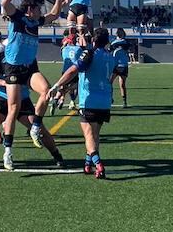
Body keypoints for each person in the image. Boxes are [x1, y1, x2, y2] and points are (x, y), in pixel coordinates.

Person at [0, 0, 65, 148]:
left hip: (30, 67)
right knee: (14, 108)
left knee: (46, 91)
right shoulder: (18, 18)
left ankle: (35, 126)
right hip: (13, 68)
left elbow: (55, 15)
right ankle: (8, 150)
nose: (41, 11)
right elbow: (4, 3)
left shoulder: (36, 22)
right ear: (30, 8)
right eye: (39, 8)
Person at [50, 27, 116, 179]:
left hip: (90, 100)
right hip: (105, 101)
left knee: (88, 135)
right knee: (94, 135)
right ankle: (87, 164)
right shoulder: (110, 56)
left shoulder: (90, 53)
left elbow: (73, 71)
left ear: (93, 40)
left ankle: (98, 164)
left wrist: (57, 86)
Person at [49, 27, 80, 115]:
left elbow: (62, 50)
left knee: (62, 86)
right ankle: (71, 101)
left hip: (65, 71)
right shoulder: (78, 49)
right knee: (76, 86)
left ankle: (56, 100)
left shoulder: (64, 49)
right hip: (74, 70)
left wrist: (64, 45)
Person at [110, 27, 131, 108]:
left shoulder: (121, 43)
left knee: (120, 84)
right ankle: (117, 100)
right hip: (117, 65)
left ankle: (123, 101)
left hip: (121, 65)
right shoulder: (117, 43)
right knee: (116, 83)